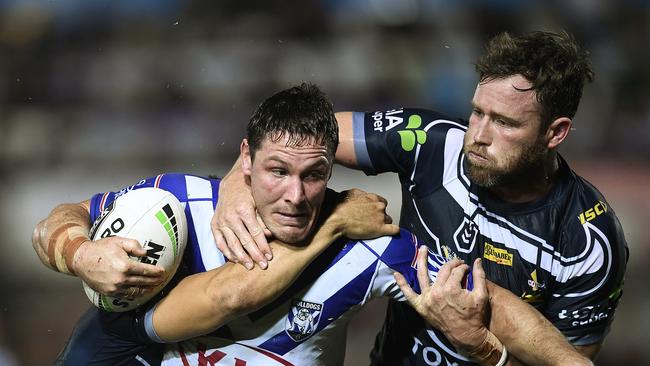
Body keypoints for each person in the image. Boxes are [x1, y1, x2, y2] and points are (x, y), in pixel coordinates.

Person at [33, 83, 591, 366]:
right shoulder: (180, 203)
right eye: (276, 171)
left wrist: (570, 363)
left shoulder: (369, 250)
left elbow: (490, 301)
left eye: (314, 175)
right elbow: (61, 219)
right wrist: (81, 251)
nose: (295, 195)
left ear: (332, 170)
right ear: (245, 161)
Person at [212, 31, 629, 365]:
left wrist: (482, 347)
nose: (478, 136)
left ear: (555, 133)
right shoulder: (431, 141)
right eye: (477, 112)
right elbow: (293, 138)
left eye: (504, 123)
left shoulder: (589, 242)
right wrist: (235, 182)